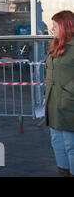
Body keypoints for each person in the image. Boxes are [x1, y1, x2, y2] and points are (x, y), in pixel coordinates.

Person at [44, 10, 74, 177]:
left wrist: (68, 91)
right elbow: (50, 73)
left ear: (66, 26)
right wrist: (45, 95)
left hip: (69, 104)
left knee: (71, 144)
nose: (52, 29)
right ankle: (63, 172)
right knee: (56, 142)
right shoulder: (56, 46)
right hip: (53, 102)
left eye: (55, 26)